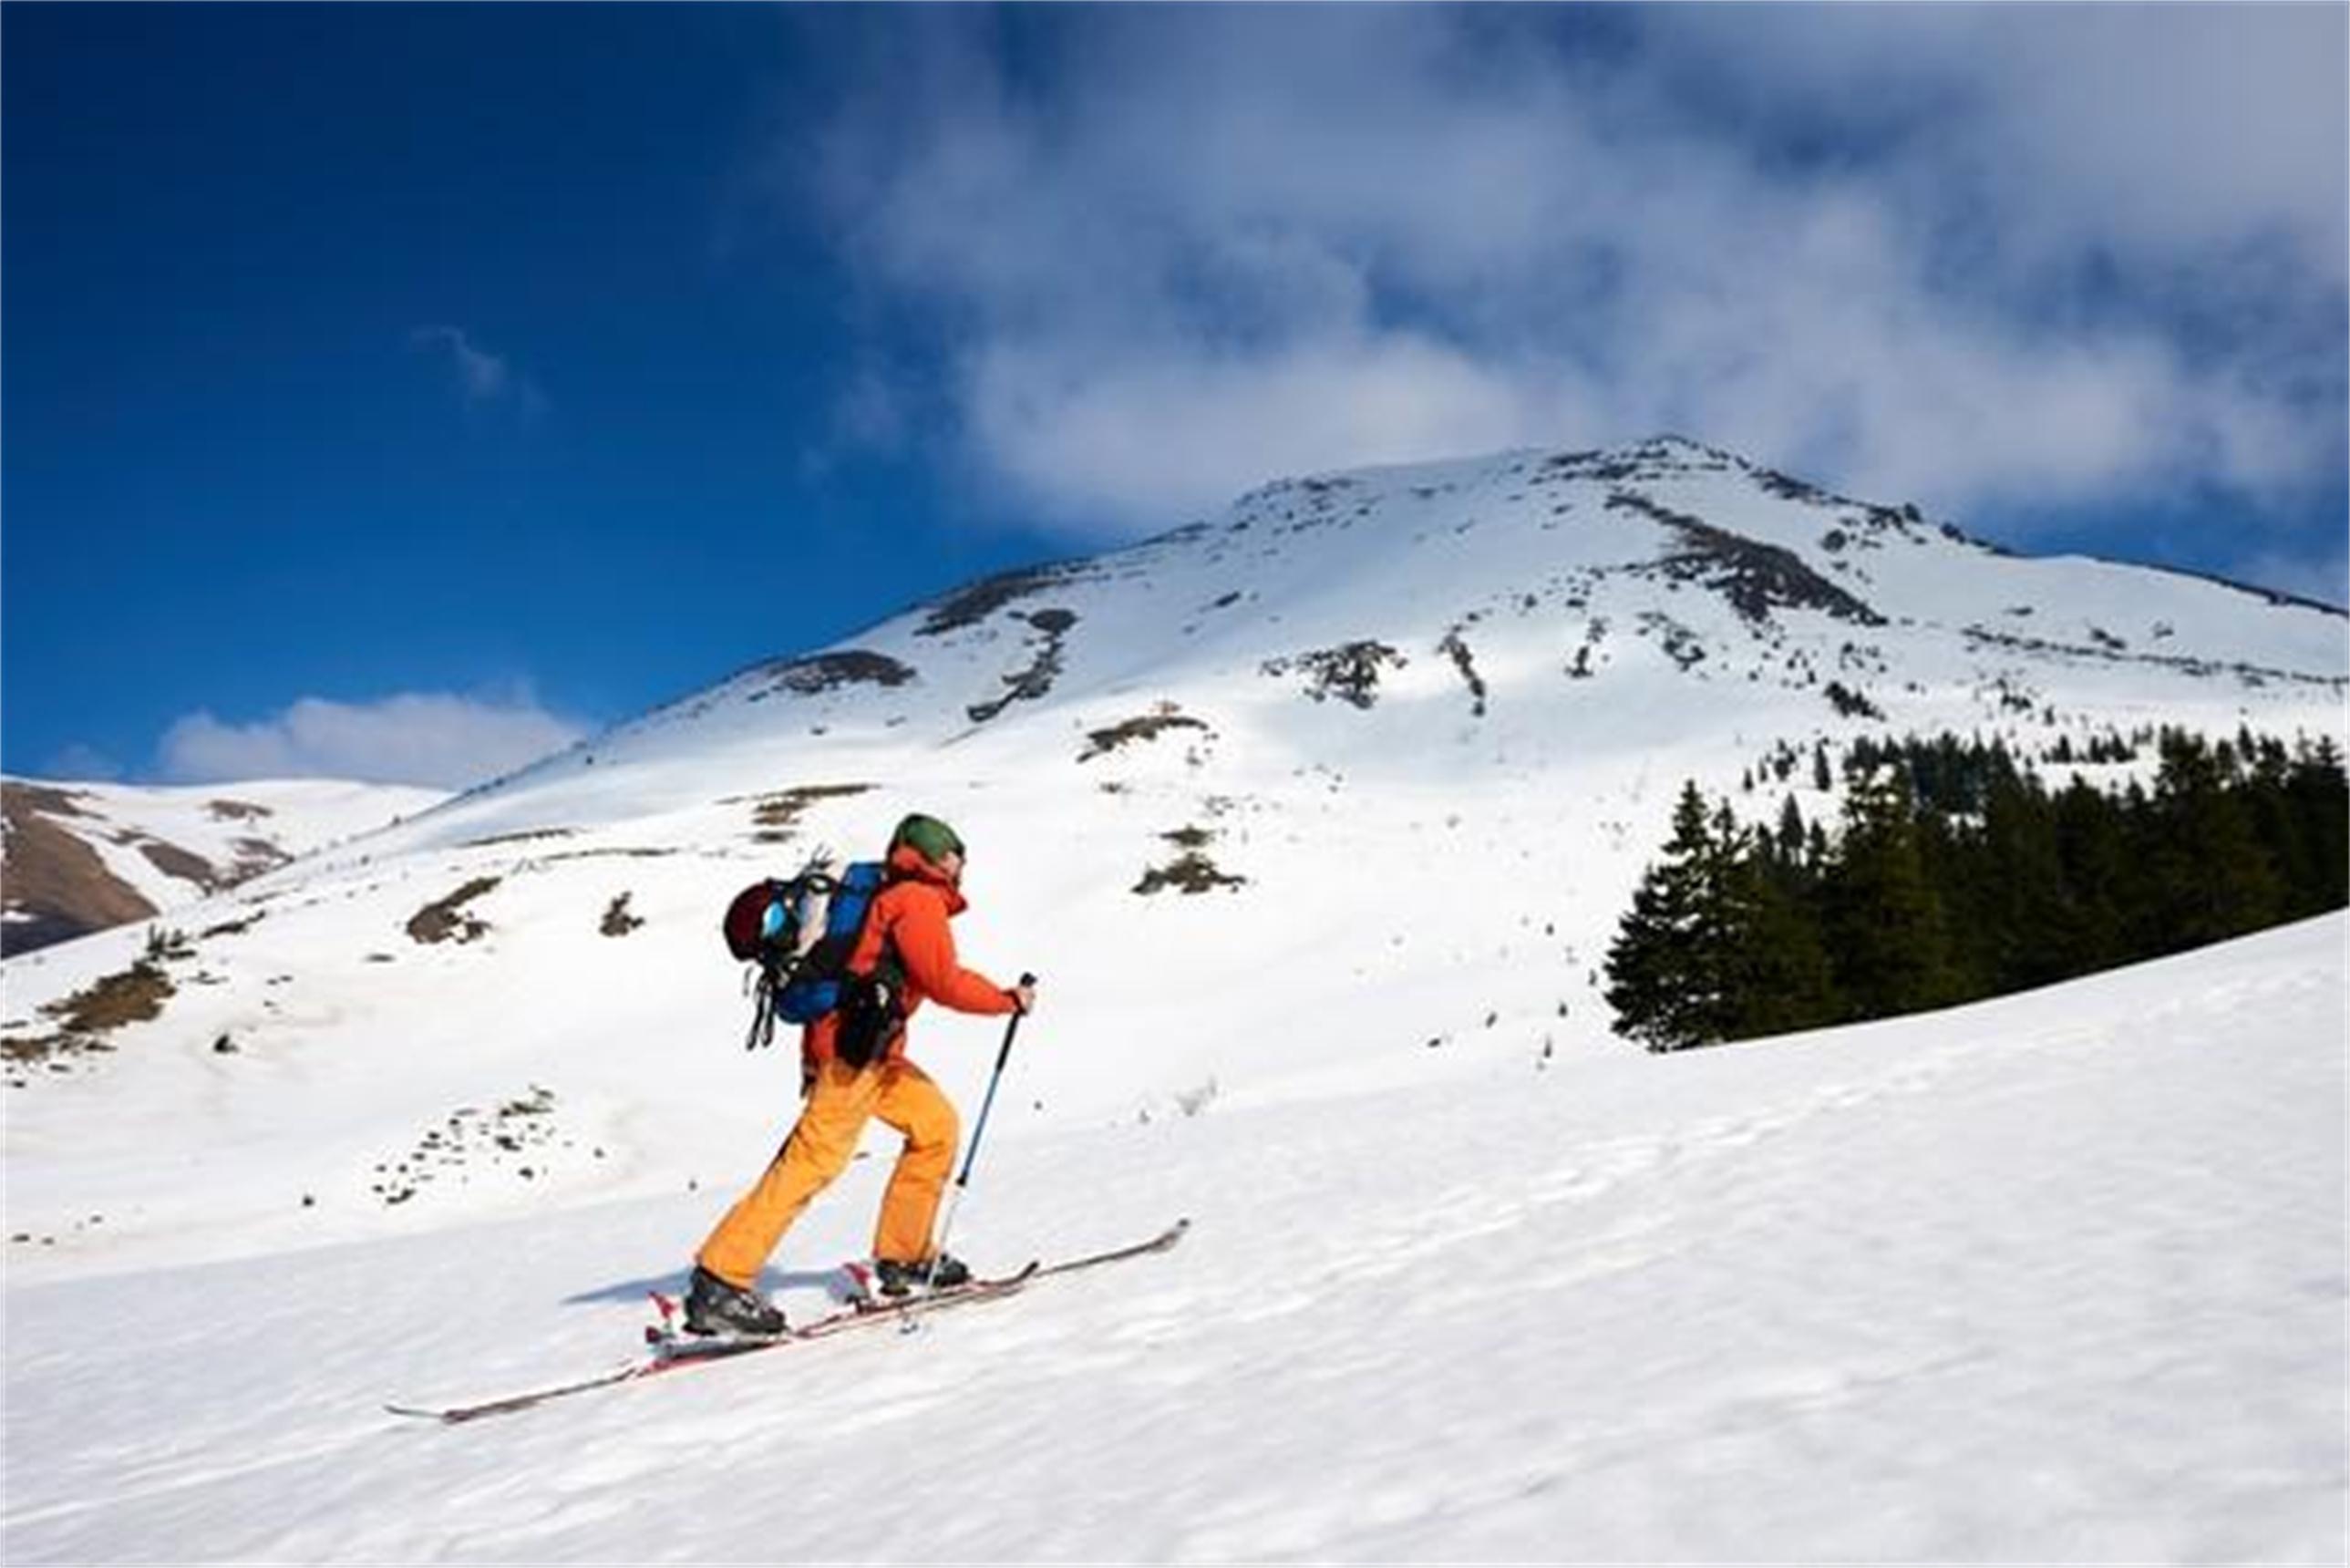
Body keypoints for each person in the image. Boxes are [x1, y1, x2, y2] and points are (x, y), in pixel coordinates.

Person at [684, 812, 1037, 1336]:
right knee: (811, 1164)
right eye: (955, 854)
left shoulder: (887, 891)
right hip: (854, 1057)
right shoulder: (915, 900)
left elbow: (849, 971)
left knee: (935, 1127)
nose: (961, 864)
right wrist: (1007, 1000)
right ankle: (720, 1281)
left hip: (872, 1051)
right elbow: (942, 981)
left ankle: (906, 1257)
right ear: (934, 858)